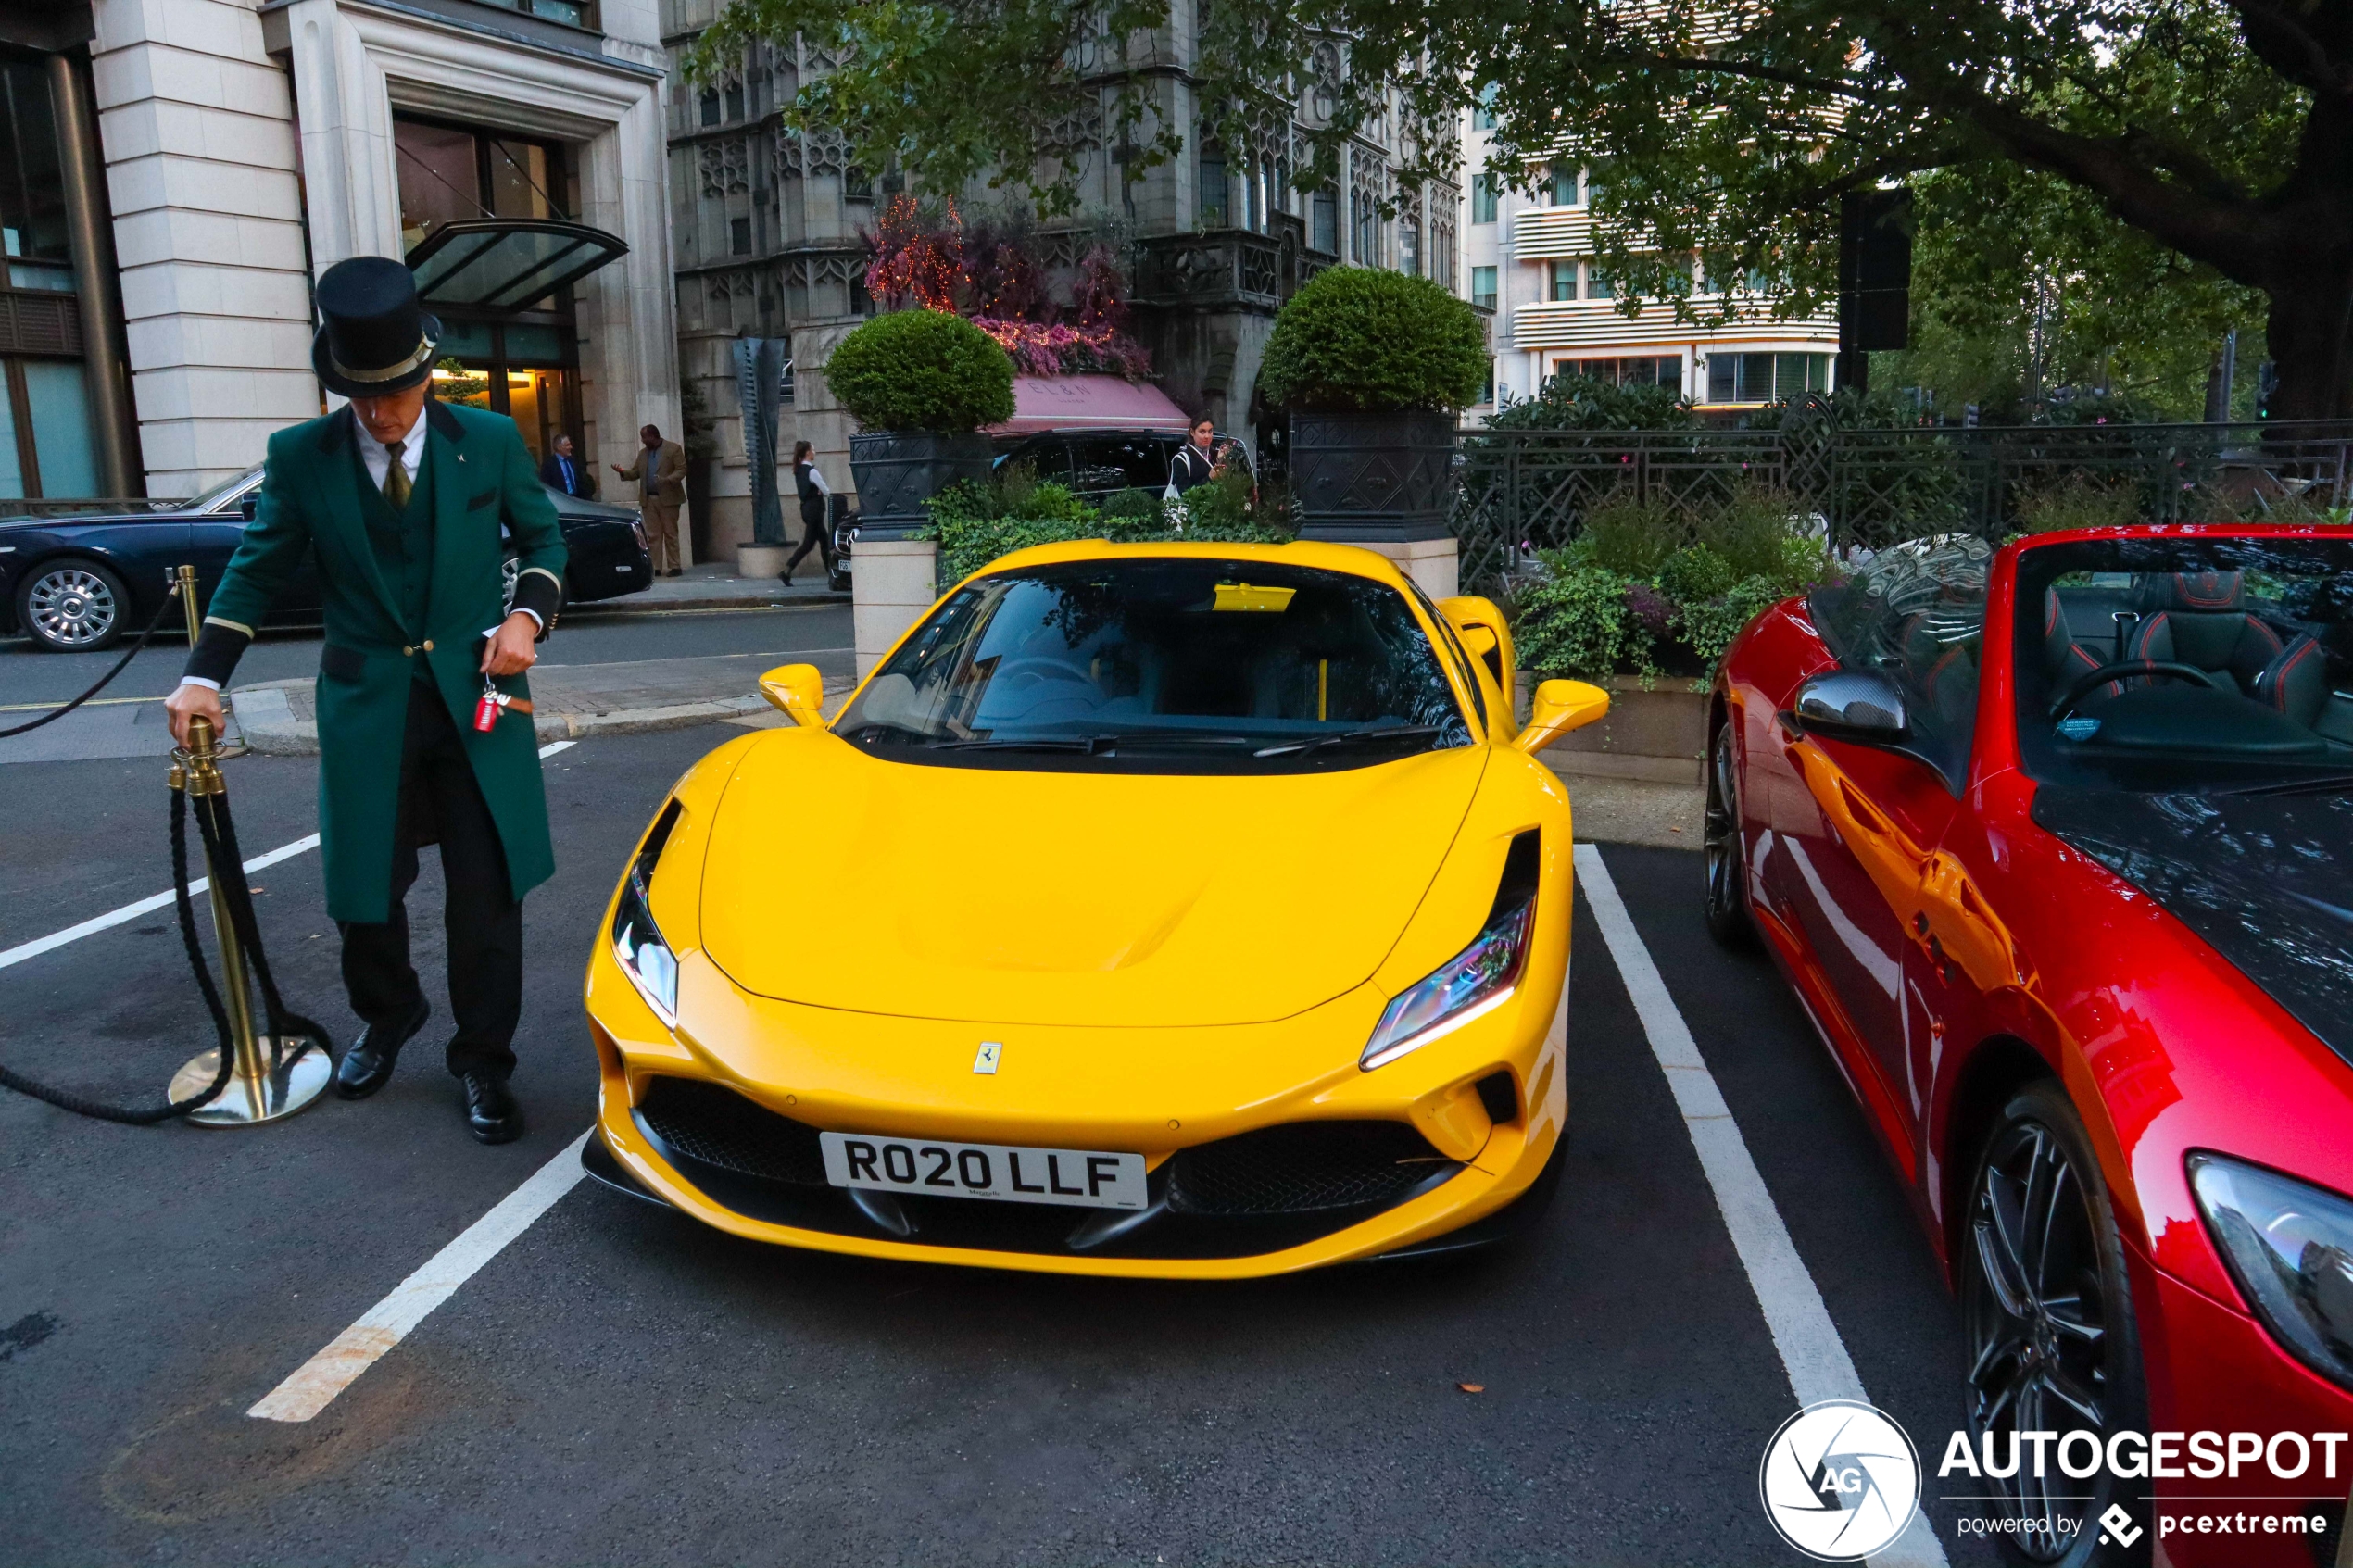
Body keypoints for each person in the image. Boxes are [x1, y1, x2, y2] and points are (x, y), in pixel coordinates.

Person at [162, 256, 565, 1144]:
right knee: (365, 890)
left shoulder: (489, 442)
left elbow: (543, 539)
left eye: (397, 393)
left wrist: (528, 617)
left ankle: (484, 1061)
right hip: (366, 702)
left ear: (426, 371)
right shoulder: (300, 459)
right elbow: (254, 573)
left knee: (487, 889)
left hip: (478, 700)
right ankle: (390, 1015)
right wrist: (201, 675)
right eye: (363, 397)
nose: (383, 415)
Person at [612, 423, 686, 575]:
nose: (643, 440)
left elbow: (681, 469)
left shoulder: (673, 449)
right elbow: (635, 473)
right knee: (653, 535)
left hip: (669, 499)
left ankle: (675, 565)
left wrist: (668, 479)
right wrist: (623, 472)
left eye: (645, 437)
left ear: (653, 436)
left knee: (670, 532)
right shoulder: (643, 454)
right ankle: (655, 567)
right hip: (649, 499)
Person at [782, 440, 837, 587]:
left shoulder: (799, 470)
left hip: (806, 509)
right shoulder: (812, 471)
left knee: (824, 541)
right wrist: (819, 491)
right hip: (815, 511)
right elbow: (826, 491)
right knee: (808, 544)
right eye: (813, 449)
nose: (815, 451)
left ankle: (831, 573)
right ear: (807, 453)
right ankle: (787, 570)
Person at [1168, 415, 1231, 495]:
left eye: (1210, 431)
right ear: (1192, 432)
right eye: (1202, 432)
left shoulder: (1216, 454)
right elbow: (1186, 495)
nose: (1207, 436)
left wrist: (1221, 460)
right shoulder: (1182, 459)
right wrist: (1209, 478)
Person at [539, 433, 591, 498]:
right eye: (567, 445)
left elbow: (580, 482)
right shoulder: (549, 464)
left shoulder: (573, 461)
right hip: (561, 501)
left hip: (576, 500)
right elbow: (546, 486)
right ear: (559, 447)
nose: (570, 447)